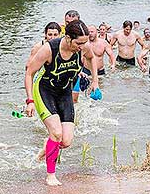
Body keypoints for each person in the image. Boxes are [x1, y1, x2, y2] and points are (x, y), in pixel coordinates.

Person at [24, 20, 98, 186]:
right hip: (44, 91)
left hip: (65, 93)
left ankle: (47, 148)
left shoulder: (83, 46)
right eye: (79, 43)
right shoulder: (49, 49)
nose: (83, 46)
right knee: (56, 133)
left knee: (66, 141)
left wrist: (95, 81)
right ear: (68, 38)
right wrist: (30, 101)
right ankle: (50, 175)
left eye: (85, 42)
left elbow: (92, 58)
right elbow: (29, 73)